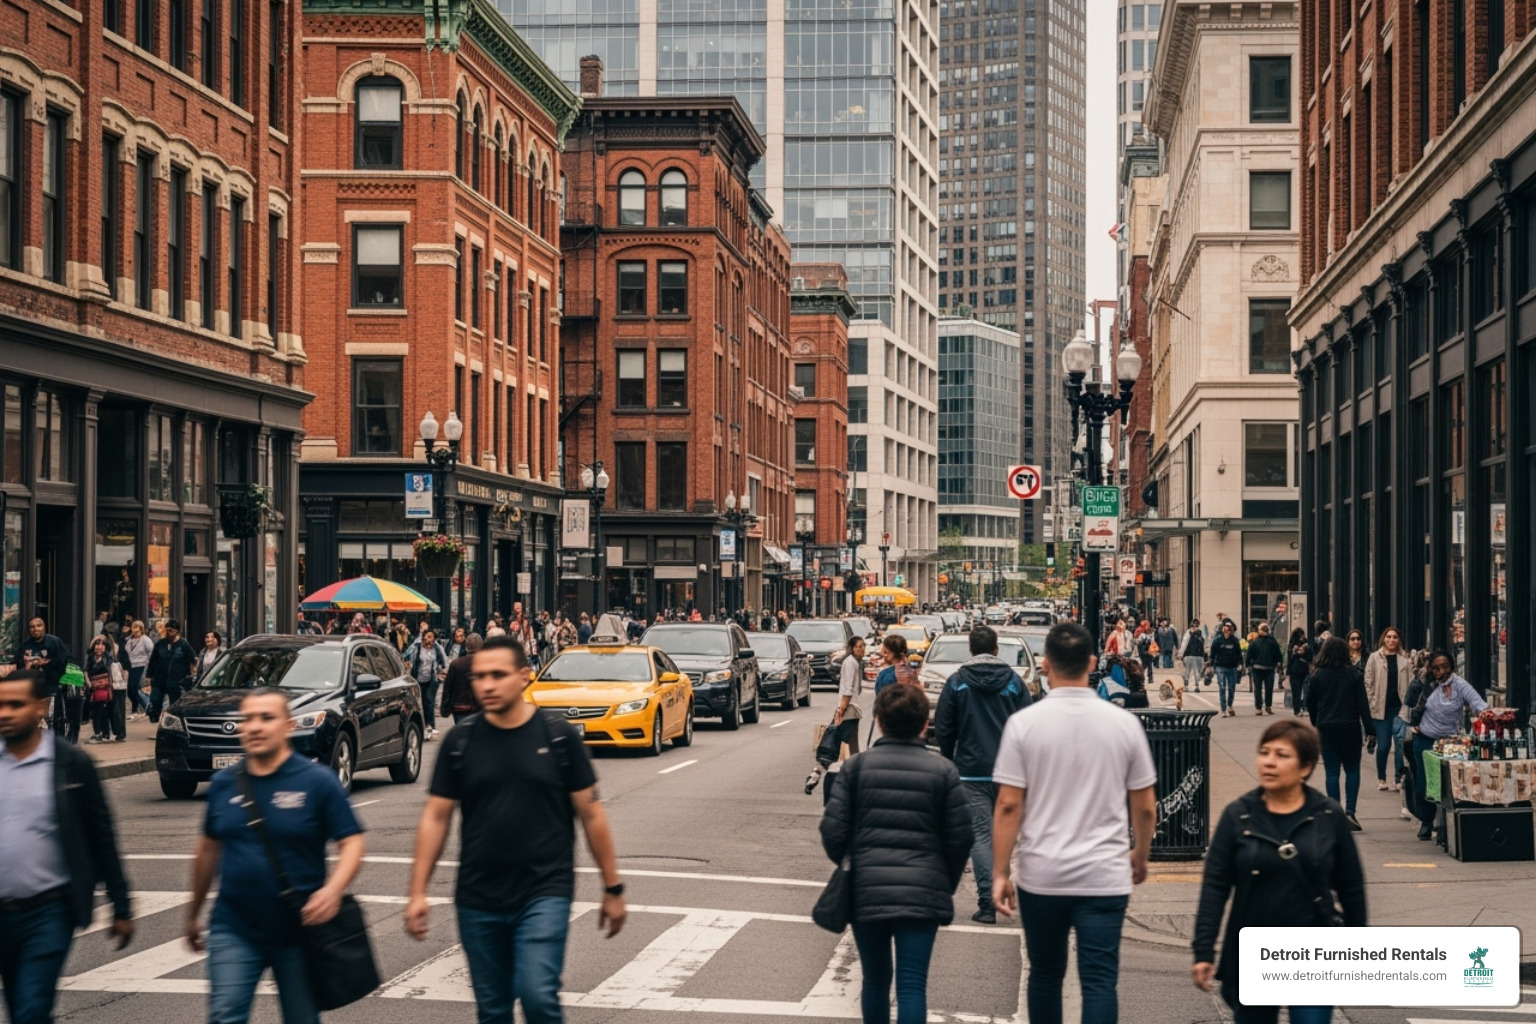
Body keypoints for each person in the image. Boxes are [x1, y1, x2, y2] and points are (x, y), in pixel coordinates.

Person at [406, 636, 627, 1024]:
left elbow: (592, 814)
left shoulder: (558, 737)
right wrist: (418, 892)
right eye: (479, 677)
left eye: (498, 675)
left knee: (538, 996)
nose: (487, 685)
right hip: (478, 896)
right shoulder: (460, 741)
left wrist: (613, 888)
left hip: (544, 891)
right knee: (493, 1010)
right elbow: (436, 817)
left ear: (525, 676)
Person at [992, 623, 1157, 1024]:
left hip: (1042, 874)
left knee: (1046, 975)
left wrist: (1000, 872)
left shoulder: (1024, 724)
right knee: (1099, 981)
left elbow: (1009, 805)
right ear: (1092, 662)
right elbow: (1145, 807)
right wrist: (1140, 853)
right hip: (1104, 874)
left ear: (1045, 665)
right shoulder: (1123, 724)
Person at [186, 687, 366, 1024]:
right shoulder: (224, 783)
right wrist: (193, 914)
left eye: (266, 718)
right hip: (234, 927)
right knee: (225, 1016)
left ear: (287, 726)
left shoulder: (317, 781)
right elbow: (207, 850)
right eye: (248, 719)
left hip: (299, 931)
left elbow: (352, 842)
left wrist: (332, 891)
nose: (255, 726)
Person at [1191, 718, 1367, 1024]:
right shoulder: (1239, 815)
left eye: (1282, 755)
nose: (1269, 762)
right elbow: (1215, 887)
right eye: (1265, 752)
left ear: (1305, 767)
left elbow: (1351, 887)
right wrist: (1203, 950)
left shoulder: (1328, 815)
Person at [820, 684, 973, 1024]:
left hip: (867, 889)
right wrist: (942, 881)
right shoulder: (944, 772)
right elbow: (961, 838)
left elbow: (832, 831)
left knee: (875, 979)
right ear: (924, 724)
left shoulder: (856, 768)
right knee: (912, 984)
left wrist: (853, 861)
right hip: (923, 890)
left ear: (879, 721)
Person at [0, 670, 135, 1024]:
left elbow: (101, 834)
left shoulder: (71, 763)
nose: (5, 713)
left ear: (39, 707)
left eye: (15, 705)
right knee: (18, 1006)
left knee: (31, 1009)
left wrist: (121, 905)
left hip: (49, 910)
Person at [933, 624, 1032, 924]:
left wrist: (949, 759)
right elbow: (1028, 726)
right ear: (997, 648)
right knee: (1008, 833)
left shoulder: (957, 682)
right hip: (1009, 772)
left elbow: (944, 727)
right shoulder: (1014, 682)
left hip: (971, 770)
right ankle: (1007, 890)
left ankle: (987, 902)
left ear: (971, 649)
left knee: (980, 835)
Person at [1406, 651, 1486, 841]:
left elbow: (1478, 703)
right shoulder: (1426, 683)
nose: (1441, 671)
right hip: (1425, 739)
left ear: (1452, 667)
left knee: (1450, 784)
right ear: (1431, 669)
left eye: (1445, 667)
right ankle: (1427, 822)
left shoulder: (1459, 684)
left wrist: (1486, 715)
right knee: (1424, 783)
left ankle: (1447, 825)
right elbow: (1409, 701)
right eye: (1436, 668)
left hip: (1451, 742)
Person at [1305, 637, 1375, 831]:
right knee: (1352, 769)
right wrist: (1370, 729)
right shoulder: (1354, 675)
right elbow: (1363, 704)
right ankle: (1350, 812)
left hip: (1326, 727)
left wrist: (1315, 721)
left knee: (1332, 771)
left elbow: (1310, 702)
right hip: (1350, 727)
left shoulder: (1318, 676)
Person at [806, 636, 867, 794]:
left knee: (840, 743)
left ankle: (819, 772)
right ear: (851, 648)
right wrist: (841, 711)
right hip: (848, 709)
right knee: (836, 744)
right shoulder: (851, 663)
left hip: (849, 709)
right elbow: (848, 690)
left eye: (863, 646)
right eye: (858, 646)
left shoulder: (854, 663)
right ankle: (820, 773)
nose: (862, 649)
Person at [1363, 627, 1412, 793]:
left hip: (1399, 709)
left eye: (1395, 637)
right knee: (1383, 745)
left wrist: (1409, 707)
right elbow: (1368, 683)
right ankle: (1382, 778)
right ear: (1383, 639)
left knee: (1400, 745)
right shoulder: (1374, 658)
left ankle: (1399, 778)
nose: (1391, 640)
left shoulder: (1405, 659)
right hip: (1381, 709)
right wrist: (1371, 703)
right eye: (1388, 637)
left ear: (1399, 640)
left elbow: (1411, 683)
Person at [17, 617, 74, 740]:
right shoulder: (25, 646)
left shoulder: (54, 642)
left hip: (50, 686)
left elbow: (65, 660)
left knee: (50, 718)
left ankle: (53, 743)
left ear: (44, 627)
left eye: (39, 625)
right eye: (32, 626)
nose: (35, 629)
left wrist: (47, 662)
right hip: (32, 688)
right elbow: (17, 663)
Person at [146, 620, 198, 723]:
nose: (169, 633)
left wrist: (192, 674)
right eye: (167, 630)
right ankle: (155, 718)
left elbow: (193, 659)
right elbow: (153, 660)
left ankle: (173, 723)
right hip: (159, 679)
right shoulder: (160, 643)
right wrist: (149, 675)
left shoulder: (184, 644)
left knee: (174, 704)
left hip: (176, 679)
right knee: (155, 700)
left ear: (177, 631)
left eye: (171, 631)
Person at [404, 628, 450, 741]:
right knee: (420, 704)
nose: (429, 639)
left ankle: (430, 727)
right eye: (427, 636)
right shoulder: (416, 647)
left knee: (429, 702)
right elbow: (405, 655)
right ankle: (421, 726)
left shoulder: (437, 648)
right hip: (418, 679)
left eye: (431, 637)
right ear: (423, 637)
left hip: (431, 680)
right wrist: (407, 663)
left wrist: (440, 672)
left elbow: (444, 662)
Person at [84, 635, 123, 744]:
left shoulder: (109, 659)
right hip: (94, 690)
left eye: (102, 645)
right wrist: (88, 683)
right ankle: (98, 732)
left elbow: (113, 674)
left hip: (106, 690)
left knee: (105, 712)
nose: (99, 647)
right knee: (95, 712)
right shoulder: (90, 659)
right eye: (97, 645)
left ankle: (106, 733)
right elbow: (86, 671)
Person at [440, 633, 485, 724]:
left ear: (466, 646)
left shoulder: (456, 664)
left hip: (460, 707)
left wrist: (445, 708)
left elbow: (448, 687)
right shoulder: (487, 664)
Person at [1208, 620, 1244, 717]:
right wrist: (1210, 665)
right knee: (1222, 687)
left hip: (1232, 667)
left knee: (1232, 687)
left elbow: (1239, 653)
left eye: (1228, 628)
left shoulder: (1235, 641)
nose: (1227, 630)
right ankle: (1223, 709)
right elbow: (1212, 654)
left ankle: (1230, 705)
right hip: (1220, 666)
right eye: (1225, 627)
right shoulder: (1217, 640)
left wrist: (1240, 664)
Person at [1245, 622, 1282, 716]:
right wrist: (1278, 663)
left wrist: (1248, 665)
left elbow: (1249, 655)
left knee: (1258, 689)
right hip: (1269, 668)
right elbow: (1278, 654)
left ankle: (1258, 708)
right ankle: (1268, 706)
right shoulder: (1273, 642)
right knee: (1269, 688)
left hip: (1257, 668)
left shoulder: (1255, 642)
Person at [122, 619, 155, 720]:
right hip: (131, 666)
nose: (135, 629)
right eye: (133, 627)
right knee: (130, 690)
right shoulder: (129, 640)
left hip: (142, 665)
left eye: (137, 627)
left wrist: (150, 667)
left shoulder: (145, 639)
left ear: (141, 629)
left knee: (136, 688)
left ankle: (146, 706)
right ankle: (136, 708)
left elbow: (151, 653)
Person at [1285, 627, 1312, 715]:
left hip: (1296, 670)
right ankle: (1300, 708)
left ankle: (1298, 709)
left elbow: (1290, 660)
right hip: (1301, 670)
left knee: (1297, 691)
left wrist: (1288, 672)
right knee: (1299, 690)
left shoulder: (1295, 645)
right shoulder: (1303, 645)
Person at [1177, 620, 1205, 693]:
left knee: (1189, 671)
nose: (1195, 627)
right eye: (1195, 626)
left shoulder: (1189, 633)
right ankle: (1195, 686)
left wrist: (1180, 654)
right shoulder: (1199, 634)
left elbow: (1184, 644)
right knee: (1194, 671)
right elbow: (1203, 645)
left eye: (1196, 626)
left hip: (1191, 655)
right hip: (1195, 655)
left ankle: (1190, 686)